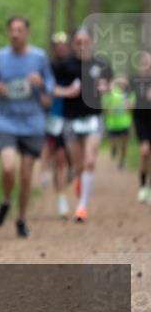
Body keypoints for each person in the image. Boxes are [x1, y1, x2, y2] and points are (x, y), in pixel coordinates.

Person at [0, 15, 54, 238]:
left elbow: (51, 85)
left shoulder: (39, 57)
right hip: (6, 120)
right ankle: (6, 201)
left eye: (19, 30)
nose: (15, 34)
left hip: (33, 122)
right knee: (8, 167)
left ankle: (22, 219)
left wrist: (41, 83)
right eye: (12, 30)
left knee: (26, 176)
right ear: (8, 33)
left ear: (27, 33)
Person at [58, 27, 112, 223]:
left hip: (93, 118)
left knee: (89, 162)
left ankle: (82, 207)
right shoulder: (64, 65)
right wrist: (66, 91)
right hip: (71, 119)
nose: (82, 45)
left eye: (85, 41)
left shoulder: (101, 64)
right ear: (73, 44)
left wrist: (105, 87)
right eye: (78, 42)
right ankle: (79, 180)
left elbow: (110, 84)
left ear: (92, 42)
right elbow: (51, 88)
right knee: (79, 165)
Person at [46, 32, 74, 218]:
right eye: (57, 44)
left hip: (75, 119)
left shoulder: (76, 65)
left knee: (74, 160)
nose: (61, 47)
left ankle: (73, 173)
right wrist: (65, 92)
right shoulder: (48, 67)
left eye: (64, 44)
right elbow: (46, 89)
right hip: (55, 117)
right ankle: (61, 200)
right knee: (60, 160)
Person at [130, 51, 151, 203]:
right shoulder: (134, 80)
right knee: (144, 152)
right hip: (140, 119)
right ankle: (143, 186)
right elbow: (126, 94)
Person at [105, 77, 133, 170]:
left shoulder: (130, 94)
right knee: (113, 141)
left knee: (124, 144)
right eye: (120, 82)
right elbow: (106, 106)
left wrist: (128, 105)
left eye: (124, 83)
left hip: (125, 123)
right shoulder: (112, 93)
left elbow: (131, 107)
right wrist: (110, 110)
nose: (122, 84)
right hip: (112, 123)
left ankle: (122, 161)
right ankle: (113, 148)